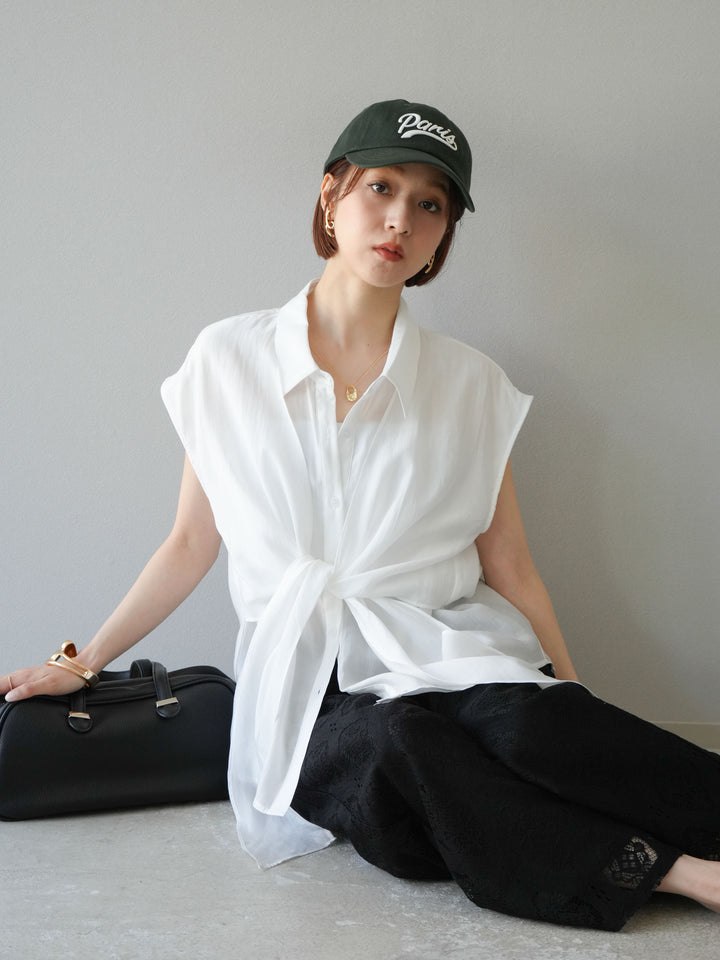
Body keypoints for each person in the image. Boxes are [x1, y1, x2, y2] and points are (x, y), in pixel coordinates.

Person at [3, 99, 720, 931]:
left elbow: (511, 566)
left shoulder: (470, 385)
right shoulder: (228, 360)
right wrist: (83, 661)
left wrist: (568, 695)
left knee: (531, 728)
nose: (400, 220)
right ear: (330, 195)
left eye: (430, 204)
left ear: (443, 235)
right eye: (381, 187)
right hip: (312, 687)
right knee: (399, 749)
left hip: (444, 647)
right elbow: (190, 542)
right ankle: (680, 875)